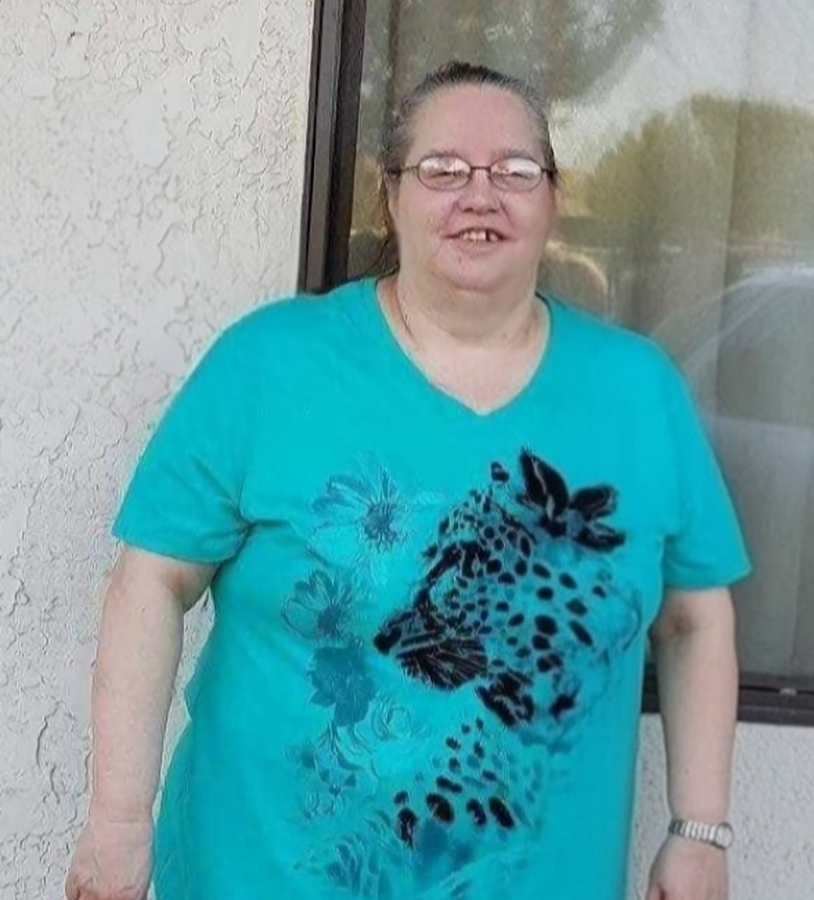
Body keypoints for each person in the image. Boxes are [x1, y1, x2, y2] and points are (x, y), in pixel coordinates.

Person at [65, 61, 750, 900]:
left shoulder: (637, 392)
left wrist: (699, 829)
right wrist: (118, 822)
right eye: (443, 170)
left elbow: (693, 619)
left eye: (514, 170)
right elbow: (150, 582)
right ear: (391, 196)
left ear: (552, 198)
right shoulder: (269, 366)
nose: (479, 196)